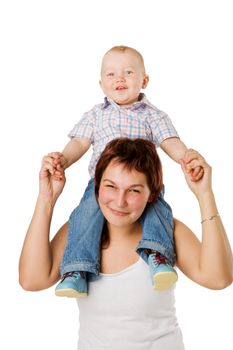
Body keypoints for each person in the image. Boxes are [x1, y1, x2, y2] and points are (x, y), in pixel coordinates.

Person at [19, 138, 233, 350]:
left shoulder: (166, 232)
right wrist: (46, 200)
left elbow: (218, 278)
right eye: (111, 186)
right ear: (96, 186)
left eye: (134, 190)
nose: (120, 201)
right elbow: (31, 280)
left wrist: (204, 195)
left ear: (152, 194)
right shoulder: (79, 234)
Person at [47, 45, 204, 297]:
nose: (119, 78)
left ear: (144, 80)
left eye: (128, 72)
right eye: (111, 74)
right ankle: (77, 271)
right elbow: (79, 142)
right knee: (84, 217)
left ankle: (158, 256)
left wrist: (185, 157)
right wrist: (64, 159)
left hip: (143, 183)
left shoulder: (153, 116)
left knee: (158, 212)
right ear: (101, 84)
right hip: (103, 184)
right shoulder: (96, 115)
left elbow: (169, 141)